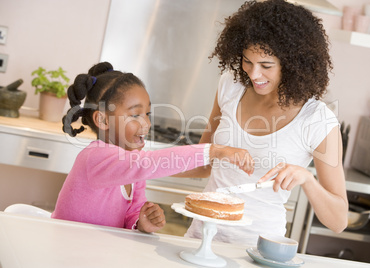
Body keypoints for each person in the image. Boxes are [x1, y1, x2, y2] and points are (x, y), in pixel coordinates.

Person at [183, 0, 348, 246]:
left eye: (266, 66)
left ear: (293, 63)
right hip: (200, 239)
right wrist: (138, 165)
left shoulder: (318, 120)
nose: (253, 74)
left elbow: (338, 221)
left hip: (259, 250)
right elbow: (204, 163)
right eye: (247, 61)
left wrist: (307, 179)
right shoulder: (230, 86)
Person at [52, 62, 254, 233]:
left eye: (147, 114)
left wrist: (141, 222)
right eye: (135, 115)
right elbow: (147, 164)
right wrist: (213, 150)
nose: (146, 124)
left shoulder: (132, 163)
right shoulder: (94, 157)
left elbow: (131, 214)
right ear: (103, 119)